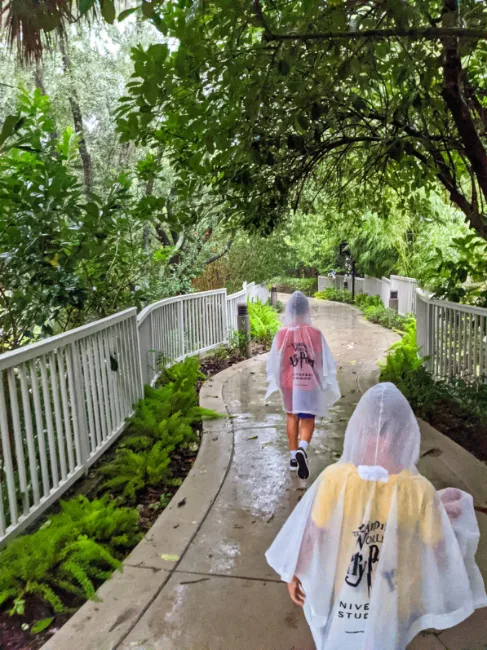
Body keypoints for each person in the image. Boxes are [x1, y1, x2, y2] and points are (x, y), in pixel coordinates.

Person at [265, 383, 487, 650]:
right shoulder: (419, 491)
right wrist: (445, 521)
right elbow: (436, 547)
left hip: (347, 595)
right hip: (395, 603)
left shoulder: (335, 479)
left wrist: (295, 571)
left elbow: (314, 532)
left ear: (358, 430)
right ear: (406, 436)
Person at [265, 291, 340, 479]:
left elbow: (276, 361)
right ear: (307, 309)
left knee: (291, 415)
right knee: (307, 418)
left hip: (288, 382)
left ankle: (292, 458)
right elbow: (322, 361)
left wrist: (281, 379)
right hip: (309, 382)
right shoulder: (315, 334)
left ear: (289, 310)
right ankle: (302, 448)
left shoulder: (281, 334)